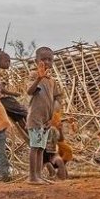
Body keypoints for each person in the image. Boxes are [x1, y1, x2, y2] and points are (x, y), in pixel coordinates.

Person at [26, 47, 61, 184]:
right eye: (43, 59)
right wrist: (39, 78)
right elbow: (29, 91)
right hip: (35, 118)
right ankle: (32, 176)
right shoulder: (34, 75)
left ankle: (39, 176)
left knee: (41, 148)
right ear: (36, 61)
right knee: (35, 147)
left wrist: (51, 118)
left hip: (45, 120)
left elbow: (55, 99)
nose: (46, 62)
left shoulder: (52, 80)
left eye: (49, 59)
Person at [0, 48, 28, 133]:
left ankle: (28, 134)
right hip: (5, 100)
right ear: (0, 62)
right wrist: (14, 94)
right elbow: (1, 89)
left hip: (0, 102)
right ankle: (34, 132)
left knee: (19, 117)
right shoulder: (3, 72)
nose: (9, 63)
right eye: (6, 61)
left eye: (9, 61)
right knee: (26, 112)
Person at [42, 109, 68, 180]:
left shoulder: (52, 130)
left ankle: (63, 182)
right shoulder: (39, 129)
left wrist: (60, 130)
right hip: (41, 154)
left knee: (60, 161)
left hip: (52, 154)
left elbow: (60, 140)